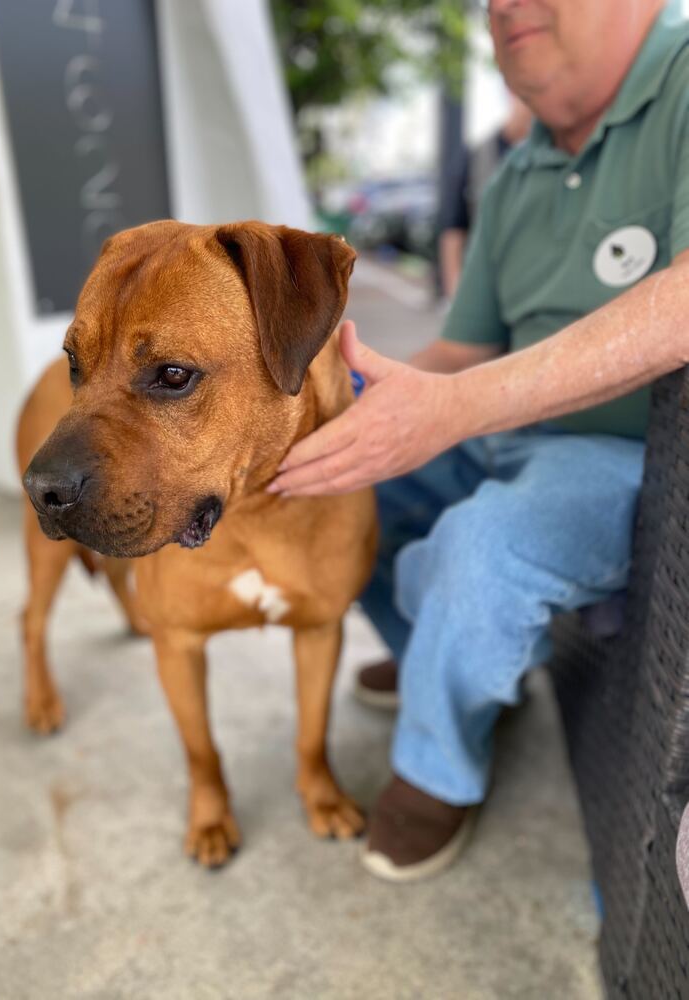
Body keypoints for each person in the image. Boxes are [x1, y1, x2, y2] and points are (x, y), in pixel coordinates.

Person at [268, 0, 689, 883]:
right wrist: (358, 403)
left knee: (477, 551)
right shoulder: (514, 174)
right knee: (335, 488)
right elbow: (463, 348)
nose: (501, 6)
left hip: (623, 456)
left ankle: (435, 767)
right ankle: (450, 650)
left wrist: (456, 409)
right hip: (502, 436)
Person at [439, 94, 532, 300]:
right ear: (511, 93)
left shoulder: (552, 154)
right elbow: (453, 230)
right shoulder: (477, 156)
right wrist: (455, 295)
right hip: (484, 289)